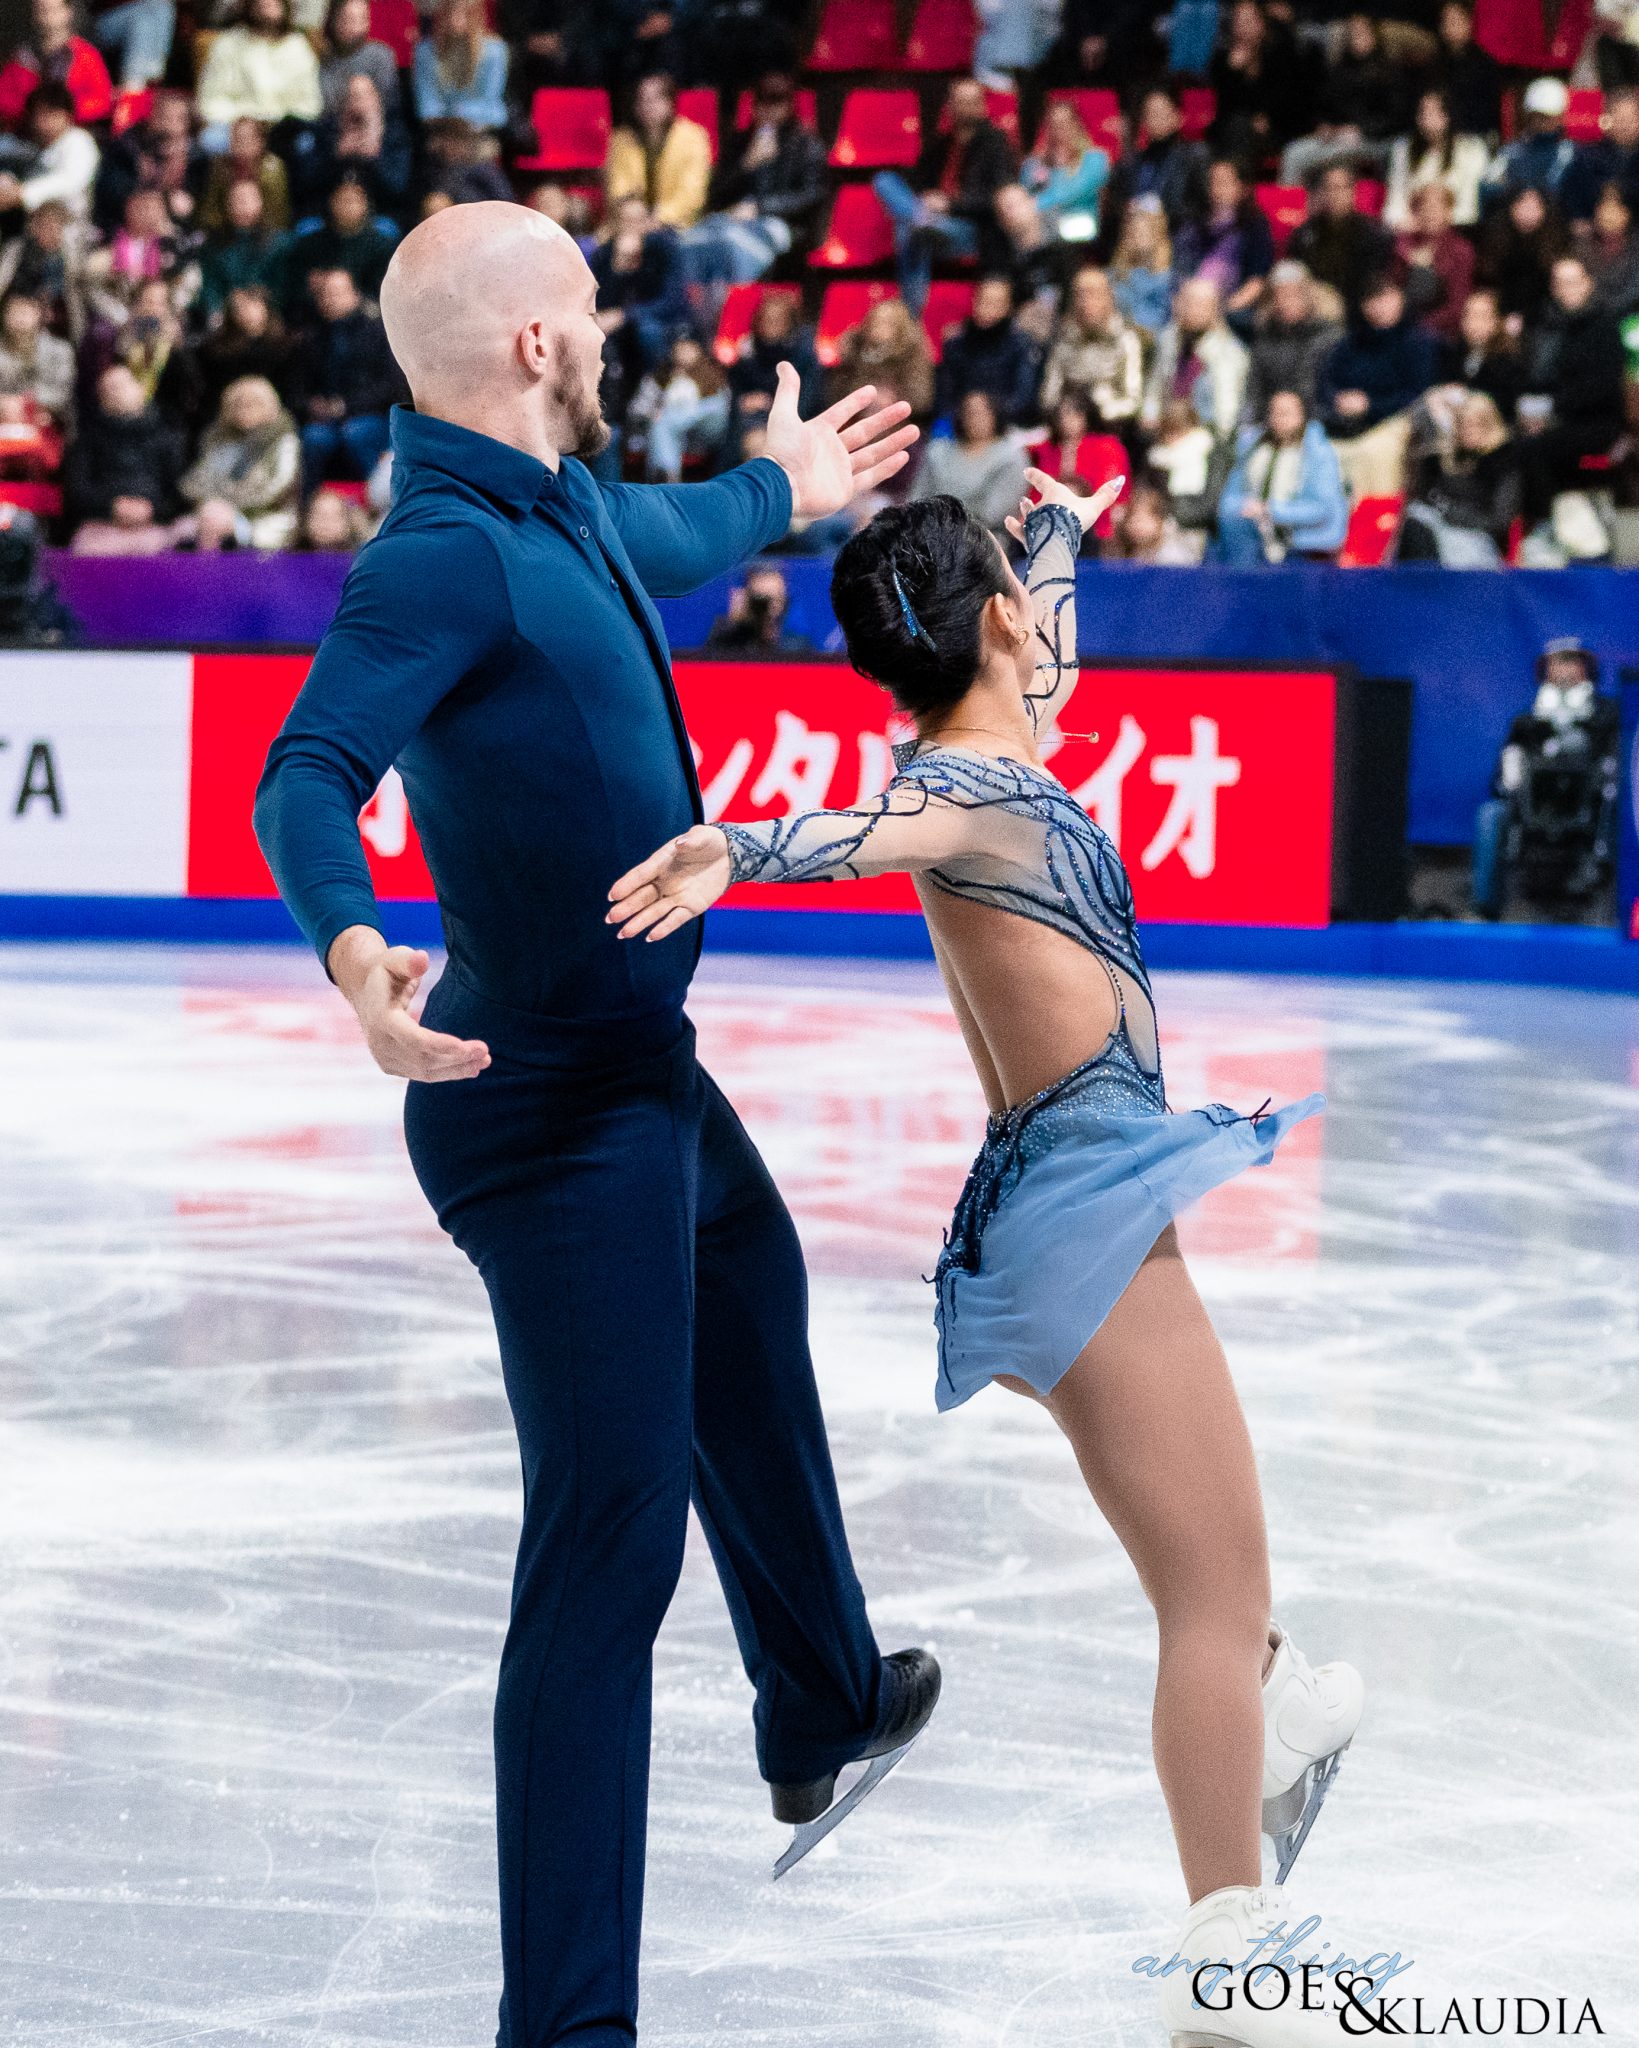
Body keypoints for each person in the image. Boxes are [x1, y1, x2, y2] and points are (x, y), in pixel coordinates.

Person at [251, 199, 934, 2048]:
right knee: (607, 1547)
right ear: (534, 345)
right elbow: (306, 770)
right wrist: (355, 952)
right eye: (590, 306)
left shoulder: (562, 508)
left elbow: (681, 528)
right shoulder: (441, 557)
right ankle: (564, 2027)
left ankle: (820, 1697)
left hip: (640, 1073)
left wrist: (784, 483)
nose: (614, 328)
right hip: (540, 1110)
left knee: (752, 1294)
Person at [608, 470, 1366, 2048]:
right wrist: (738, 846)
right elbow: (867, 830)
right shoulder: (965, 789)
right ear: (994, 622)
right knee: (1213, 1604)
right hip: (1087, 1214)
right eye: (1023, 606)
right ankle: (1228, 1961)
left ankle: (1277, 1715)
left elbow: (1040, 669)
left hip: (1068, 1200)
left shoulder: (995, 739)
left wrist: (1062, 536)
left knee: (1214, 1592)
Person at [1472, 637, 1621, 919]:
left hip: (1594, 807)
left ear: (1587, 668)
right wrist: (1512, 777)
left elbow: (1618, 764)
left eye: (1572, 661)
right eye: (1557, 662)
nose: (1564, 669)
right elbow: (1501, 779)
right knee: (1491, 815)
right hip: (1532, 811)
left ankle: (1616, 899)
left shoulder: (1608, 716)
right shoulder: (1526, 723)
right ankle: (1486, 906)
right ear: (1545, 670)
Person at [872, 76, 1018, 314]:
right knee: (885, 180)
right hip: (931, 220)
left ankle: (911, 317)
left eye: (971, 102)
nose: (965, 108)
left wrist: (948, 205)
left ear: (983, 106)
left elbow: (998, 201)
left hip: (968, 228)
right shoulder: (942, 145)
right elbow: (915, 180)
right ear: (949, 106)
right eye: (960, 101)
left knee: (909, 230)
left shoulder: (996, 144)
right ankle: (919, 218)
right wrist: (923, 200)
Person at [682, 70, 827, 286]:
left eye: (776, 104)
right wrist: (747, 164)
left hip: (783, 224)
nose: (768, 111)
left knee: (730, 244)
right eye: (762, 103)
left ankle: (735, 299)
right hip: (730, 219)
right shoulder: (739, 142)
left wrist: (760, 207)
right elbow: (714, 195)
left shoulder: (807, 145)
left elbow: (812, 195)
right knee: (692, 240)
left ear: (789, 106)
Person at [1516, 252, 1628, 526]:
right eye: (1561, 283)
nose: (1567, 290)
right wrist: (1530, 407)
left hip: (1595, 423)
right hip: (1556, 417)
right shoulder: (1548, 327)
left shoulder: (1604, 326)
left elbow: (1603, 388)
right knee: (1509, 443)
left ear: (1588, 284)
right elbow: (1535, 380)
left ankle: (1545, 523)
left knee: (1534, 450)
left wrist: (1550, 408)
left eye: (1573, 282)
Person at [1317, 274, 1438, 500]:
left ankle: (1375, 517)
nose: (1379, 307)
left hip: (1397, 419)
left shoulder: (1418, 342)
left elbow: (1417, 394)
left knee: (1374, 451)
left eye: (1386, 298)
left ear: (1400, 298)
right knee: (1315, 443)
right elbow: (1327, 382)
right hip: (1345, 421)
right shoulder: (1352, 342)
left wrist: (1370, 405)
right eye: (1372, 300)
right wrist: (1338, 400)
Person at [286, 262, 402, 488]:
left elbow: (389, 386)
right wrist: (311, 405)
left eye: (337, 293)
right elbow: (297, 387)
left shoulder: (378, 332)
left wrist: (346, 406)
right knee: (312, 437)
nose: (330, 300)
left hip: (371, 414)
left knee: (356, 433)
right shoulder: (311, 339)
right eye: (324, 294)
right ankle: (312, 502)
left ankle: (378, 496)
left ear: (354, 294)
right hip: (326, 421)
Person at [1213, 387, 1349, 563]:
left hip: (1305, 544)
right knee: (1232, 526)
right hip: (1256, 537)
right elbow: (1228, 499)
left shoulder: (1318, 453)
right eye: (1274, 412)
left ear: (1302, 415)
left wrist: (1271, 510)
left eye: (1286, 413)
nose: (1279, 419)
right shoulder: (1254, 448)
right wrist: (1245, 507)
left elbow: (1322, 509)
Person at [64, 359, 186, 549]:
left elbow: (179, 490)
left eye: (122, 385)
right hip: (101, 526)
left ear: (141, 389)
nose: (115, 392)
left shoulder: (167, 436)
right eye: (108, 389)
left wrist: (151, 510)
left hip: (157, 525)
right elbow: (77, 491)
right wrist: (111, 507)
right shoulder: (87, 441)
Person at [177, 371, 300, 548]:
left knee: (216, 523)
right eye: (239, 404)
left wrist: (232, 508)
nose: (246, 410)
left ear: (270, 406)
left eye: (254, 404)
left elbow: (278, 488)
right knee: (183, 529)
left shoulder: (284, 441)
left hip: (265, 518)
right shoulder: (218, 440)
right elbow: (196, 482)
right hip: (214, 513)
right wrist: (213, 505)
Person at [1397, 388, 1519, 564]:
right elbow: (1427, 496)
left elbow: (1499, 520)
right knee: (1416, 518)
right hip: (1437, 527)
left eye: (1476, 424)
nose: (1468, 431)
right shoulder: (1441, 461)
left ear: (1490, 424)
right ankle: (1418, 579)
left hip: (1477, 538)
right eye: (1462, 424)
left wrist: (1453, 513)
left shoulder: (1504, 464)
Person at [195, 0, 323, 144]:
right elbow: (210, 101)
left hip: (285, 128)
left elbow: (311, 104)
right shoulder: (227, 44)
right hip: (234, 126)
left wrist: (279, 123)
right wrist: (245, 123)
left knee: (307, 143)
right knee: (211, 141)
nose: (268, 4)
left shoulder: (298, 47)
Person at [1142, 275, 1250, 444]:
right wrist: (1149, 417)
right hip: (1166, 430)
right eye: (1188, 303)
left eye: (1201, 305)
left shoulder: (1229, 352)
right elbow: (1155, 387)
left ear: (1214, 310)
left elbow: (1227, 408)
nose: (1193, 310)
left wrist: (1219, 441)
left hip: (1205, 435)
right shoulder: (1168, 340)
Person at [604, 71, 713, 231]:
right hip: (629, 223)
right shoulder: (621, 140)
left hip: (678, 227)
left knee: (635, 240)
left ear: (670, 102)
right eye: (642, 100)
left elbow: (692, 195)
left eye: (655, 99)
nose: (648, 106)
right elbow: (619, 189)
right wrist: (632, 210)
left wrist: (659, 218)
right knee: (628, 237)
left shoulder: (694, 137)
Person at [908, 386, 1028, 532]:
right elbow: (916, 498)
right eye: (969, 412)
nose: (974, 418)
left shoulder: (1011, 457)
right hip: (929, 530)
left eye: (980, 412)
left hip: (985, 536)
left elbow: (994, 513)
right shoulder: (937, 451)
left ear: (995, 414)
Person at [1171, 156, 1275, 319]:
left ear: (1242, 187)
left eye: (1225, 182)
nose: (1217, 189)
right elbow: (1178, 269)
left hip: (1231, 309)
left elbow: (1257, 281)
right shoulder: (1193, 224)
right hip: (1190, 304)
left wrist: (1222, 310)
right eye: (1213, 182)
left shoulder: (1254, 226)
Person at [933, 272, 1042, 425]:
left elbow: (1024, 398)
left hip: (1008, 425)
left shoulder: (1021, 344)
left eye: (996, 303)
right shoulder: (955, 343)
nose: (988, 308)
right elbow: (944, 397)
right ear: (974, 301)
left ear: (1009, 307)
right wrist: (969, 413)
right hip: (962, 425)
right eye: (984, 300)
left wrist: (989, 411)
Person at [1039, 262, 1142, 422]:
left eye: (1094, 294)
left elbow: (1133, 399)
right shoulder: (1063, 341)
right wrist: (1065, 415)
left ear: (1109, 298)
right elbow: (1049, 396)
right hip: (1068, 421)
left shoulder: (1126, 340)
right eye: (1080, 295)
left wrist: (1096, 414)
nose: (1086, 302)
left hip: (1109, 423)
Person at [1287, 162, 1395, 314]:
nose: (1335, 195)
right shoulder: (1304, 233)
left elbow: (1373, 283)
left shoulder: (1373, 235)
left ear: (1353, 191)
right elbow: (1296, 272)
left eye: (1341, 188)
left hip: (1358, 310)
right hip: (1313, 308)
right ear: (1321, 192)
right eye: (1328, 188)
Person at [1244, 259, 1342, 418]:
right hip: (1272, 420)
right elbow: (1255, 390)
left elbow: (1328, 392)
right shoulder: (1266, 338)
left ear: (1309, 296)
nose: (1286, 302)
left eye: (1294, 295)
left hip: (1317, 420)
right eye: (1280, 296)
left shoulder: (1330, 338)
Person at [1383, 88, 1491, 230]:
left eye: (1434, 112)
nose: (1427, 120)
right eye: (1423, 113)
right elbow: (1395, 203)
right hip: (1412, 229)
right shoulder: (1403, 149)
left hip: (1455, 230)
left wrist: (1436, 222)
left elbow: (1468, 208)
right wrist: (1408, 222)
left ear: (1448, 116)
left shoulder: (1471, 150)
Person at [0, 0, 112, 129]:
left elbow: (102, 100)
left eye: (54, 10)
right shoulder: (21, 58)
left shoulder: (86, 55)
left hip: (73, 131)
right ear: (34, 14)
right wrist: (33, 114)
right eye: (42, 10)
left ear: (68, 12)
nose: (48, 16)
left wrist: (65, 113)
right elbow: (4, 98)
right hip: (26, 132)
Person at [828, 291, 934, 418]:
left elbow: (920, 398)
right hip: (856, 415)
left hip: (899, 418)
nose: (878, 328)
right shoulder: (854, 349)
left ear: (900, 329)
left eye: (887, 323)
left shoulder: (911, 354)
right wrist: (867, 396)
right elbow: (836, 393)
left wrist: (894, 397)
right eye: (875, 322)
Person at [0, 81, 99, 218]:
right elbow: (6, 146)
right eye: (39, 114)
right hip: (28, 220)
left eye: (51, 114)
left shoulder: (79, 141)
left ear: (67, 116)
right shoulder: (32, 141)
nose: (44, 122)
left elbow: (70, 183)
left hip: (69, 222)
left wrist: (21, 193)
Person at [1395, 179, 1476, 343]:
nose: (1430, 214)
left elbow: (1457, 306)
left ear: (1449, 212)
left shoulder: (1461, 250)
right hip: (1402, 324)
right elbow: (1394, 291)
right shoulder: (1404, 244)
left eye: (1437, 207)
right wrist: (1406, 258)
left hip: (1439, 333)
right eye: (1424, 208)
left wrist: (1420, 327)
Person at [1018, 96, 1109, 241]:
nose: (1059, 129)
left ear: (1077, 125)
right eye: (1053, 124)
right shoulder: (1033, 163)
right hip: (1042, 229)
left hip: (1080, 228)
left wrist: (1033, 206)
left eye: (1065, 123)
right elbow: (1023, 195)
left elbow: (1073, 193)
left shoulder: (1095, 159)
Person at [411, 0, 509, 134]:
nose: (454, 20)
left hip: (481, 126)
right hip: (440, 128)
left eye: (463, 13)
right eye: (450, 13)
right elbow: (427, 101)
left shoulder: (494, 50)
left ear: (474, 15)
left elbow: (490, 99)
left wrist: (460, 113)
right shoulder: (425, 50)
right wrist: (445, 122)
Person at [703, 561, 813, 653]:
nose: (771, 610)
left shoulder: (799, 649)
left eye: (778, 600)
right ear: (747, 602)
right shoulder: (725, 643)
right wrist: (730, 625)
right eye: (761, 602)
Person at [1107, 193, 1173, 335]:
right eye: (1133, 232)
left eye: (1144, 233)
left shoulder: (1166, 277)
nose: (1137, 238)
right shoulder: (1115, 274)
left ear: (1157, 234)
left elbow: (1166, 316)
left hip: (1154, 336)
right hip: (1120, 334)